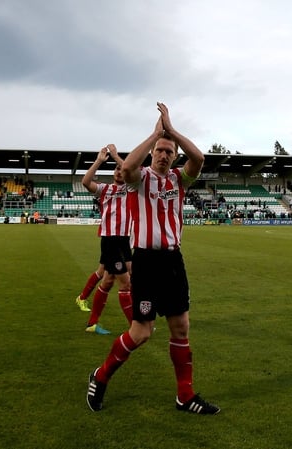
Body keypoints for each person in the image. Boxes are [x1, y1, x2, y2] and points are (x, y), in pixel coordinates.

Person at [86, 102, 220, 414]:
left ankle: (184, 396)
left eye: (168, 151)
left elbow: (199, 159)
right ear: (152, 153)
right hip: (145, 262)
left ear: (174, 157)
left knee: (181, 327)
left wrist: (171, 131)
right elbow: (129, 166)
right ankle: (100, 375)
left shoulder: (178, 180)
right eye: (159, 150)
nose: (162, 155)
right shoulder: (139, 178)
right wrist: (154, 134)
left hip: (173, 262)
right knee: (141, 332)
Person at [75, 144, 134, 335]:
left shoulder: (132, 188)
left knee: (108, 281)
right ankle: (135, 325)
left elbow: (129, 169)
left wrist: (117, 158)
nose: (118, 172)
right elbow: (85, 181)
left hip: (124, 240)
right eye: (116, 169)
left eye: (121, 169)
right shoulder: (105, 189)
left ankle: (92, 323)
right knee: (125, 283)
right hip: (110, 240)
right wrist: (99, 161)